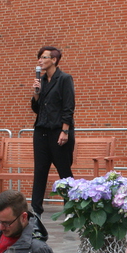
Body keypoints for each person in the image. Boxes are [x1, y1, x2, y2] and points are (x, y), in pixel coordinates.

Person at [30, 45, 75, 217]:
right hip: (41, 132)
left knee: (64, 172)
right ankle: (36, 211)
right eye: (39, 57)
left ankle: (70, 210)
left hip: (58, 132)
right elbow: (37, 109)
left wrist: (65, 131)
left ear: (54, 60)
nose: (40, 61)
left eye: (44, 57)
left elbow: (68, 107)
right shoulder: (41, 81)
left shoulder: (64, 79)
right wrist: (36, 94)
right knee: (40, 171)